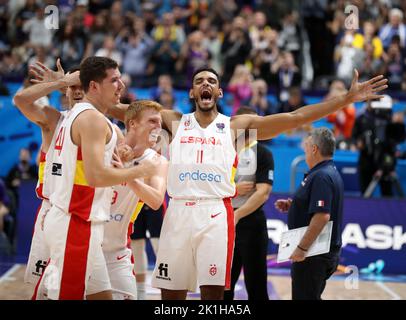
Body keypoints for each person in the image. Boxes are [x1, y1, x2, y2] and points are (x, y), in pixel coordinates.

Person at [109, 67, 387, 300]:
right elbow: (123, 112)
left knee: (213, 296)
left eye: (212, 81)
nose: (205, 84)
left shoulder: (236, 126)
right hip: (178, 211)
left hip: (215, 214)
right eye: (199, 81)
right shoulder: (174, 121)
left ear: (219, 93)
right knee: (170, 296)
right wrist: (79, 90)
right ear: (192, 93)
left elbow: (295, 118)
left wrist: (346, 99)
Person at [34, 56, 157, 300]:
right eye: (114, 80)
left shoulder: (79, 114)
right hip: (75, 222)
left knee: (102, 295)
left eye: (120, 79)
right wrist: (139, 171)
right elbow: (95, 176)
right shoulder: (90, 119)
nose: (121, 85)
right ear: (94, 87)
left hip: (82, 222)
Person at [13, 60, 85, 287]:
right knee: (43, 286)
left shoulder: (105, 124)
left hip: (87, 214)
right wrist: (61, 83)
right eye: (74, 86)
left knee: (84, 286)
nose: (77, 89)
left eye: (83, 84)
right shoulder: (54, 119)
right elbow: (20, 100)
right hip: (54, 210)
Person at [103, 100, 168, 300]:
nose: (159, 127)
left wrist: (128, 174)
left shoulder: (157, 161)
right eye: (153, 121)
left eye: (160, 122)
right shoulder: (108, 140)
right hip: (86, 241)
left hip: (116, 249)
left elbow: (156, 200)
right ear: (132, 124)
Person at [274, 128, 344, 300]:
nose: (304, 150)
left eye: (306, 146)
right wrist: (295, 205)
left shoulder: (321, 176)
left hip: (313, 255)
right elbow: (320, 207)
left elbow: (322, 216)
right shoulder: (327, 172)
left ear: (314, 149)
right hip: (317, 254)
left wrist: (302, 248)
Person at [224, 107, 274, 301]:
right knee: (222, 285)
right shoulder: (224, 150)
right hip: (224, 219)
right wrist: (234, 189)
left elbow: (263, 193)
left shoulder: (262, 153)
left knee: (256, 285)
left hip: (250, 223)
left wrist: (238, 215)